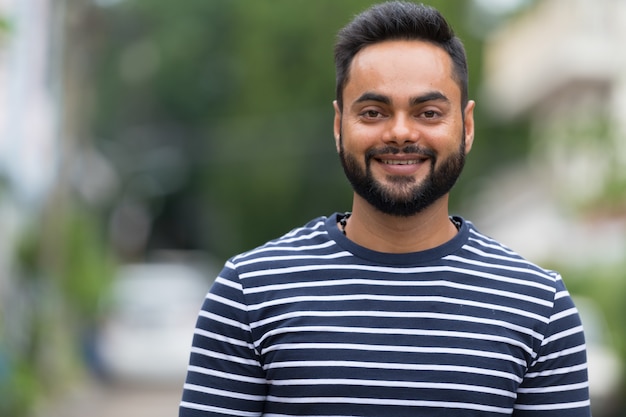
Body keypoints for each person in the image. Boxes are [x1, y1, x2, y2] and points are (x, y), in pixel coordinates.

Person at [179, 2, 592, 416]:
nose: (399, 132)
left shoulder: (539, 306)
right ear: (339, 125)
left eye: (428, 112)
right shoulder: (249, 294)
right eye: (373, 112)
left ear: (466, 127)